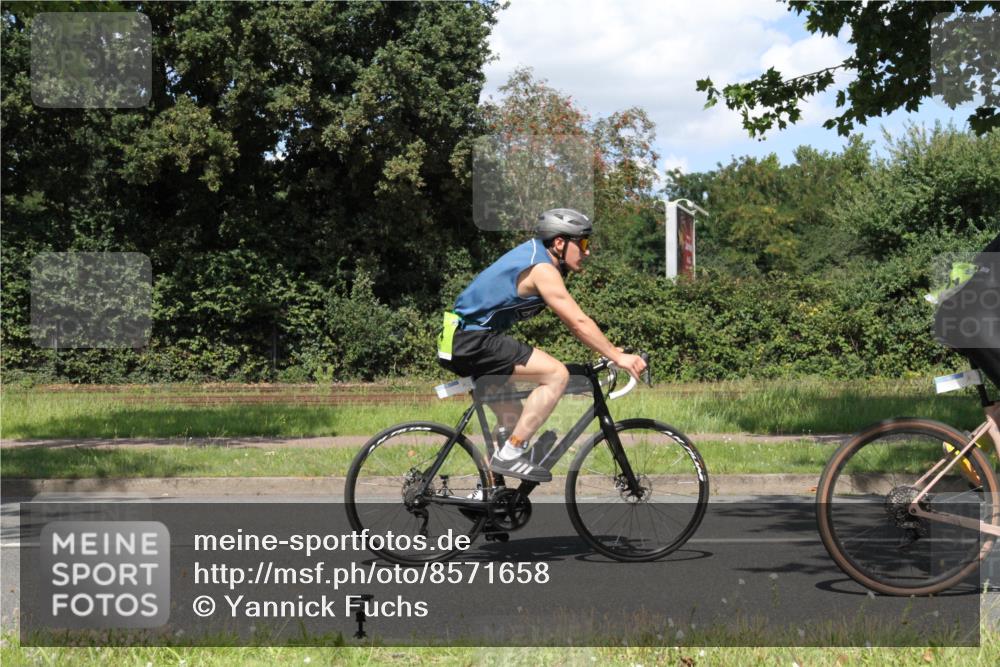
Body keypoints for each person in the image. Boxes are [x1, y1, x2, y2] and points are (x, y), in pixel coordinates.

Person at [437, 208, 647, 482]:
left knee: (512, 421)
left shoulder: (536, 257)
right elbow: (578, 322)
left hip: (461, 341)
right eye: (582, 243)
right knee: (556, 375)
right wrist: (618, 357)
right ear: (560, 243)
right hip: (472, 340)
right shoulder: (541, 268)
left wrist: (610, 350)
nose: (587, 251)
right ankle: (511, 454)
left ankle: (487, 496)